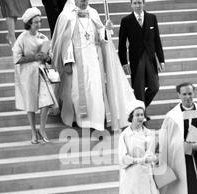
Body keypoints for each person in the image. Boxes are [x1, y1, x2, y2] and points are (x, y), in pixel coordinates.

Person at [51, 0, 141, 132]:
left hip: (94, 59)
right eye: (81, 1)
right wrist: (67, 60)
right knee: (77, 91)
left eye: (86, 0)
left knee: (96, 90)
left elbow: (100, 34)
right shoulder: (67, 15)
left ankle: (97, 120)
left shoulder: (93, 13)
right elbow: (65, 41)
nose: (84, 3)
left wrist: (106, 29)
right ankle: (81, 120)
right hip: (77, 61)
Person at [13, 7, 58, 144]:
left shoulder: (43, 37)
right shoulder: (22, 38)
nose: (39, 25)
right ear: (29, 23)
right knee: (30, 103)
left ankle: (42, 129)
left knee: (46, 102)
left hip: (42, 72)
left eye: (40, 21)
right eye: (36, 22)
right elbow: (17, 59)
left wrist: (47, 57)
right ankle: (33, 132)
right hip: (28, 74)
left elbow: (50, 58)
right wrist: (34, 57)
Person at [118, 0, 165, 108]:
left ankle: (138, 109)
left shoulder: (152, 18)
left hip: (150, 57)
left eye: (139, 2)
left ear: (144, 3)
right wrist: (124, 63)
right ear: (131, 5)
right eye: (135, 3)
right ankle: (141, 115)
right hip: (136, 58)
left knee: (154, 87)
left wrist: (161, 59)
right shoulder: (126, 20)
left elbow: (157, 40)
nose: (137, 5)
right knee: (139, 89)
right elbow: (121, 44)